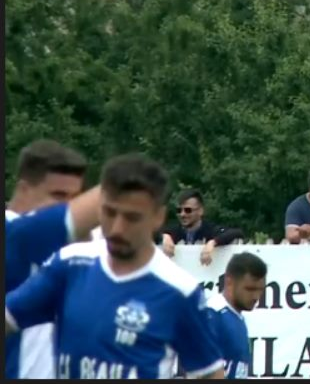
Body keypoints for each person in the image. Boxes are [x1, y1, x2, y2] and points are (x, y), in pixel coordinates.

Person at [4, 153, 226, 379]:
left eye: (132, 218)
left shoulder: (179, 291)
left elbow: (210, 374)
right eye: (110, 212)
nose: (118, 228)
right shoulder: (70, 265)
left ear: (158, 217)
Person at [4, 140, 100, 380]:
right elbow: (119, 192)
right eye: (58, 195)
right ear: (24, 190)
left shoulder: (66, 244)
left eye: (75, 198)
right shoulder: (14, 232)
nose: (69, 206)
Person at [205, 252, 267, 379]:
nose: (256, 296)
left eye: (260, 290)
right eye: (250, 289)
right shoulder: (212, 314)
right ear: (229, 282)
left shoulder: (236, 318)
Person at [161, 189, 245, 266]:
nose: (182, 214)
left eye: (188, 210)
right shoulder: (173, 231)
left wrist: (213, 243)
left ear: (200, 211)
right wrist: (164, 236)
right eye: (179, 210)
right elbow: (154, 231)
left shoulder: (210, 229)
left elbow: (237, 233)